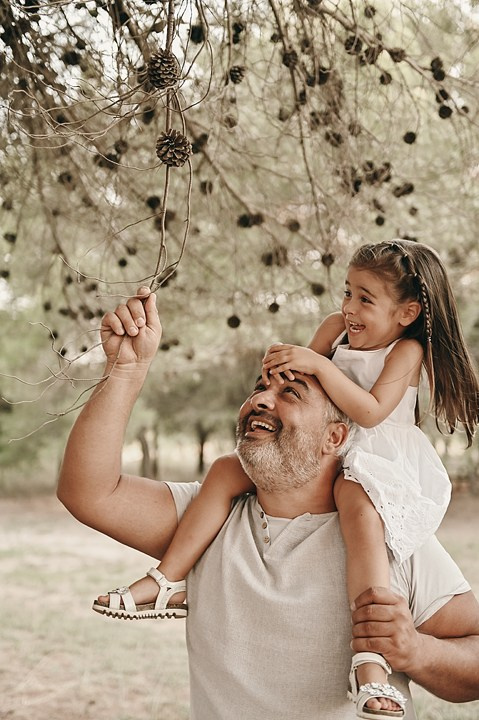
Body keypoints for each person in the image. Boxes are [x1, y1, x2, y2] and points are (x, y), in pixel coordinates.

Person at [91, 240, 478, 718]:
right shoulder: (217, 520)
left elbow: (371, 412)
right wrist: (130, 368)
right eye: (347, 293)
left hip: (377, 457)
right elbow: (91, 492)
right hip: (345, 446)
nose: (348, 307)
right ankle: (168, 579)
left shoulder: (407, 355)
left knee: (361, 513)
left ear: (407, 312)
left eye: (365, 299)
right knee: (224, 467)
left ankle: (370, 662)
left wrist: (417, 650)